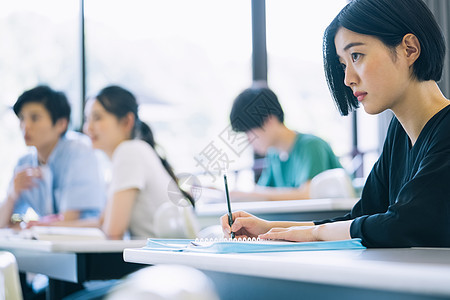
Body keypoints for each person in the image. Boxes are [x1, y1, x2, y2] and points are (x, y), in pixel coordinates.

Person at [222, 0, 450, 248]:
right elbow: (362, 216)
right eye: (343, 65)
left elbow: (403, 224)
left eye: (356, 56)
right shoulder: (399, 133)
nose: (348, 79)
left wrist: (314, 234)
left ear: (409, 49)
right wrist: (272, 229)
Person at [84, 85, 197, 239]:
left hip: (162, 259)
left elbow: (113, 232)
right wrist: (48, 225)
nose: (88, 127)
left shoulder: (129, 152)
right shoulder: (134, 151)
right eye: (87, 119)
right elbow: (102, 222)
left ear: (126, 121)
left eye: (97, 118)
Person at [0, 85, 105, 228]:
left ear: (61, 124)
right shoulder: (25, 163)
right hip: (50, 245)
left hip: (85, 245)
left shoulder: (79, 151)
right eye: (22, 118)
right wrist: (12, 194)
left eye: (35, 118)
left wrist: (28, 225)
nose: (25, 125)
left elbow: (68, 219)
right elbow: (2, 223)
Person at [228, 86, 343, 201]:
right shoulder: (274, 154)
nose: (248, 140)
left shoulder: (311, 146)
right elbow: (262, 192)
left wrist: (243, 194)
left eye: (250, 132)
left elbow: (307, 195)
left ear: (269, 120)